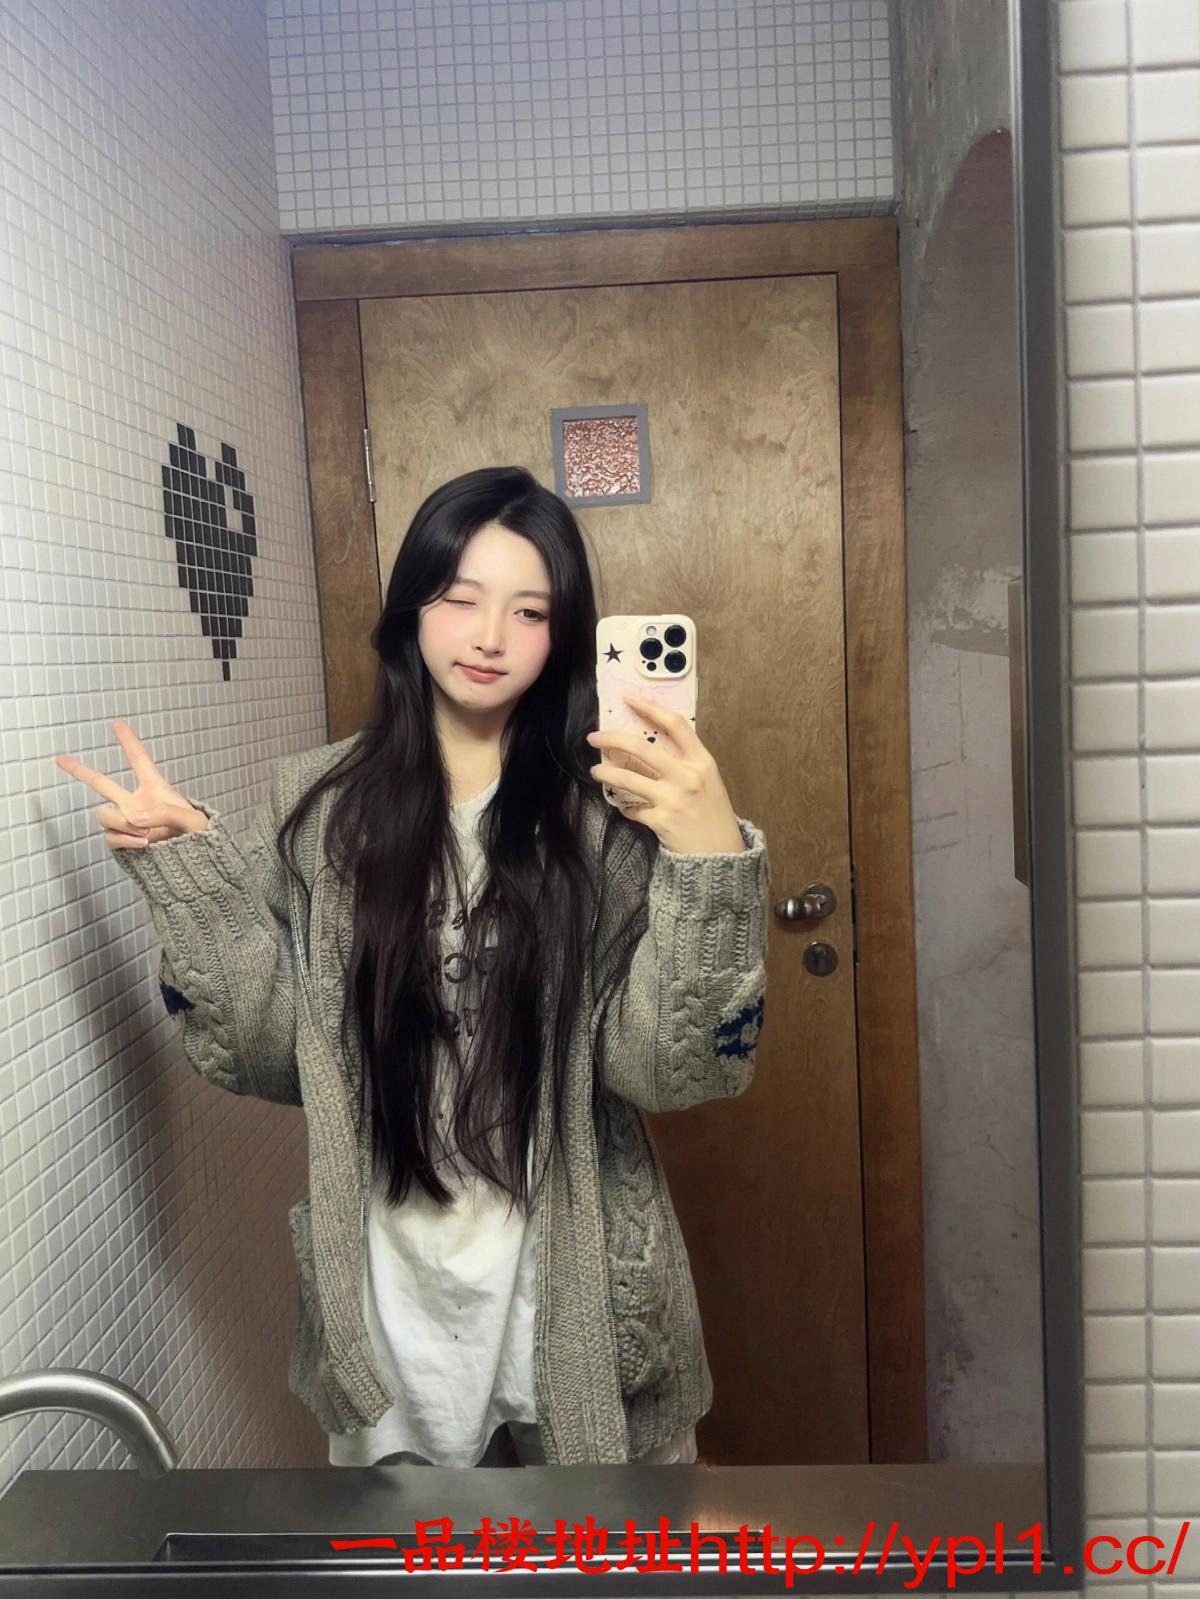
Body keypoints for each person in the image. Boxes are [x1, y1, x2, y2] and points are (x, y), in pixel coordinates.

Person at [54, 465, 770, 1467]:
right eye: (460, 598)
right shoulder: (316, 809)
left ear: (564, 634)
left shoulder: (612, 820)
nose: (490, 637)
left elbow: (671, 1070)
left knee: (614, 1550)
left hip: (580, 1297)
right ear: (411, 608)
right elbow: (268, 1057)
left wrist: (707, 861)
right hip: (395, 1299)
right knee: (409, 1551)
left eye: (529, 611)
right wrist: (195, 883)